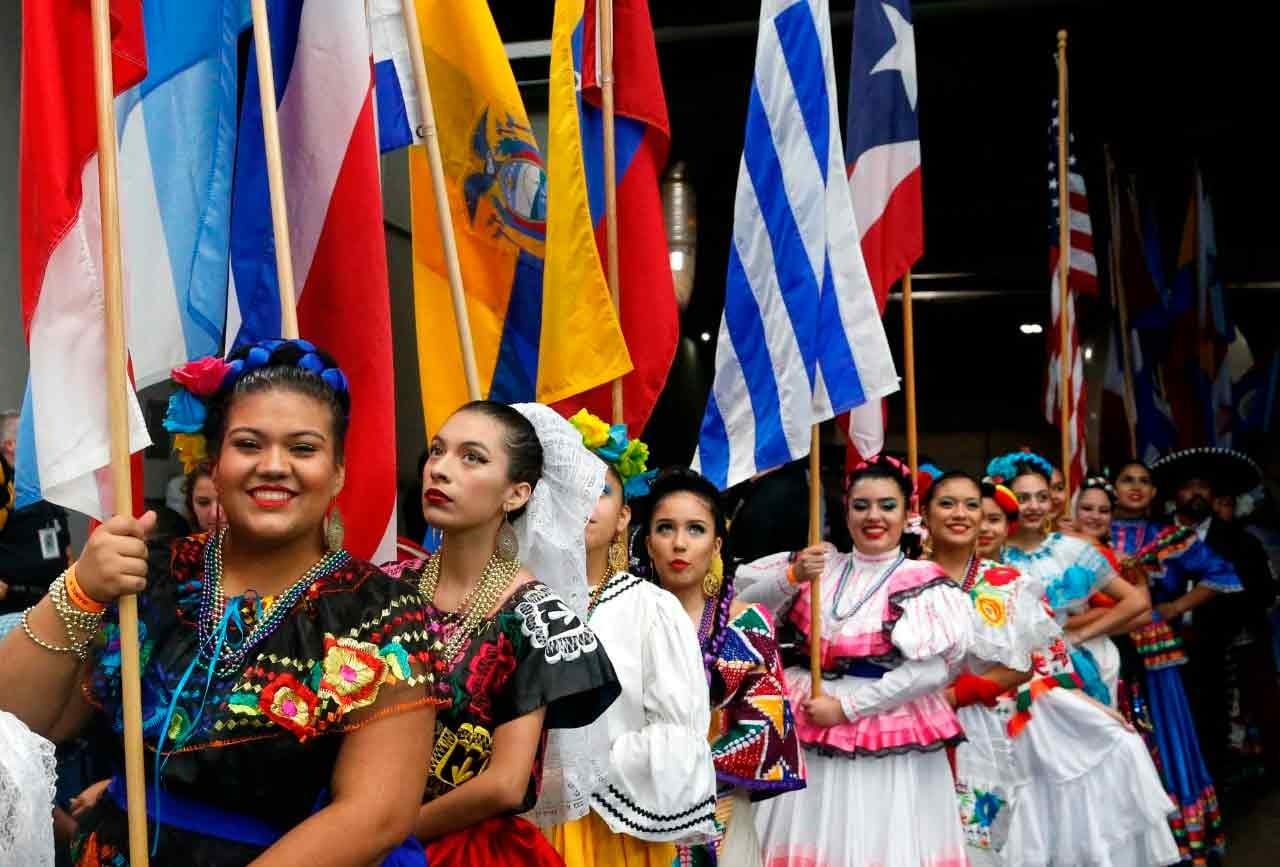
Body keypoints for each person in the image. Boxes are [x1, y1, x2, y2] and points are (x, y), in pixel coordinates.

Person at [0, 339, 442, 865]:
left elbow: (377, 813)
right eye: (249, 444)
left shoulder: (383, 612)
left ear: (339, 471)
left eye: (303, 448)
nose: (275, 466)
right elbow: (19, 723)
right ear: (216, 464)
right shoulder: (151, 575)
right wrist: (80, 589)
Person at [383, 401, 620, 867]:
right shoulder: (388, 588)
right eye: (437, 451)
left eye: (472, 457)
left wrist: (386, 832)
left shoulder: (536, 618)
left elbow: (504, 783)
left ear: (517, 494)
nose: (442, 470)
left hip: (461, 850)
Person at [740, 455, 971, 867]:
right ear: (845, 512)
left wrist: (846, 708)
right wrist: (790, 577)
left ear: (907, 513)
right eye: (861, 506)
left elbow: (931, 671)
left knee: (878, 835)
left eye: (887, 505)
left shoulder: (921, 579)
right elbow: (745, 609)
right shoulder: (822, 563)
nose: (873, 517)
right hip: (810, 716)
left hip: (886, 723)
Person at [938, 475, 1178, 866]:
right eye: (975, 516)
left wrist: (1092, 704)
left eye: (994, 519)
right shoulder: (920, 576)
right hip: (946, 713)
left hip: (1016, 711)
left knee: (1106, 754)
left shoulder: (1015, 583)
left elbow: (1049, 660)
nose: (983, 527)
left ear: (1006, 527)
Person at [546, 412, 717, 865]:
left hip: (613, 833)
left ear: (623, 517)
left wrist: (576, 768)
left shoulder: (651, 610)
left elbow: (678, 740)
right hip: (518, 823)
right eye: (569, 485)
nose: (583, 498)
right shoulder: (511, 600)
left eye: (600, 490)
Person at [643, 468, 804, 866]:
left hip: (719, 804)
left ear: (716, 545)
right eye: (666, 528)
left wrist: (682, 764)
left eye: (695, 530)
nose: (679, 544)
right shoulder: (624, 618)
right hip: (632, 803)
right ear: (648, 544)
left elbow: (767, 726)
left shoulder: (746, 624)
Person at [1152, 447, 1280, 800]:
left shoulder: (1241, 542)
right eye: (1188, 487)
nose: (1196, 495)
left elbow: (1262, 595)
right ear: (1174, 494)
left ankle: (1212, 809)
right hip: (1159, 653)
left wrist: (1220, 608)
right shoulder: (1152, 537)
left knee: (1214, 729)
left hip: (1219, 654)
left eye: (1204, 487)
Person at [987, 451, 1149, 705]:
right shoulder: (991, 554)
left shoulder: (1073, 550)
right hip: (1010, 671)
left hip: (1069, 667)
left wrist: (1079, 635)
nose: (1035, 506)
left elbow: (1137, 601)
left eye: (1042, 497)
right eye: (1023, 498)